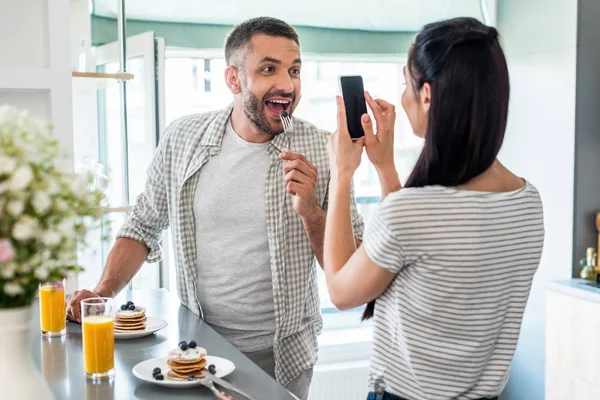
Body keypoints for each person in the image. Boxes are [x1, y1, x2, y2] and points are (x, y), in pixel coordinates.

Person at [66, 17, 364, 399]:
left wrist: (311, 211)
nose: (287, 86)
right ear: (233, 79)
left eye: (294, 71)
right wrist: (102, 294)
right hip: (195, 352)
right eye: (269, 69)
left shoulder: (325, 150)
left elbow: (350, 271)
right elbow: (142, 224)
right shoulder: (182, 139)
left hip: (284, 359)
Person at [323, 17, 544, 400]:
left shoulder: (412, 212)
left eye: (406, 84)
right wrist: (386, 169)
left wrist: (342, 174)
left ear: (426, 96)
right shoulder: (528, 203)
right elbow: (415, 249)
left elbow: (342, 291)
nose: (402, 96)